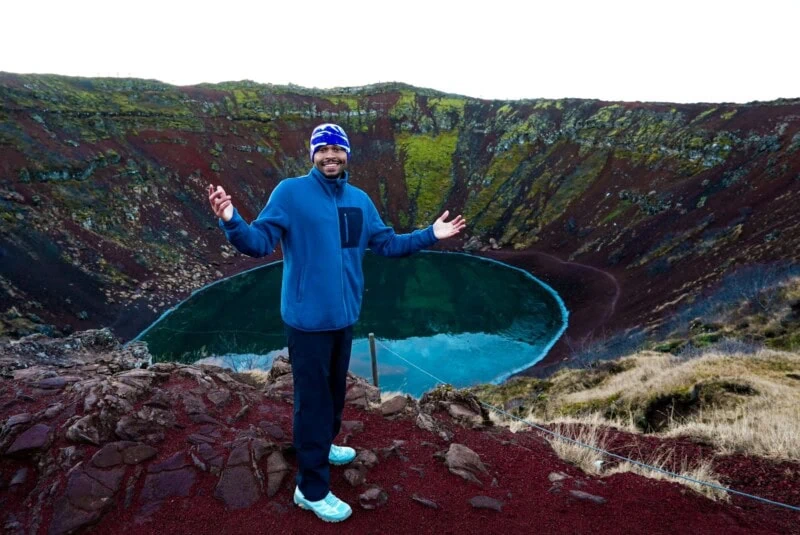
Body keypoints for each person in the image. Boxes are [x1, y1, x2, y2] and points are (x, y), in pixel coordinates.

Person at [207, 123, 465, 522]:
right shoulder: (290, 193)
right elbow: (257, 243)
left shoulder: (359, 200)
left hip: (343, 320)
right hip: (307, 323)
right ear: (312, 155)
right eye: (322, 149)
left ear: (347, 155)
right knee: (311, 405)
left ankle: (323, 445)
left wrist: (430, 233)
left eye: (337, 149)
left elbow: (387, 244)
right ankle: (310, 489)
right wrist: (230, 219)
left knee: (334, 396)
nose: (330, 155)